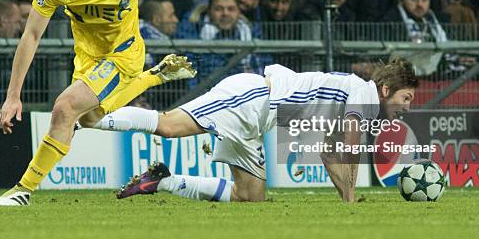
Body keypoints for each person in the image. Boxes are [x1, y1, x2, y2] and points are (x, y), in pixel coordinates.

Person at [0, 0, 196, 206]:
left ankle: (22, 190)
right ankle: (156, 75)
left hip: (123, 54)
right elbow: (31, 36)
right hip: (88, 57)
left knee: (64, 108)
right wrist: (13, 96)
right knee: (89, 118)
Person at [91, 57, 417, 203]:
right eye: (406, 97)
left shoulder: (352, 98)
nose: (407, 106)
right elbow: (349, 148)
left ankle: (164, 181)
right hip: (251, 99)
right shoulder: (364, 95)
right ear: (386, 89)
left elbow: (330, 153)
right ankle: (91, 118)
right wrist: (350, 196)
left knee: (249, 196)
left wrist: (347, 198)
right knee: (168, 125)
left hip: (258, 120)